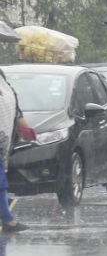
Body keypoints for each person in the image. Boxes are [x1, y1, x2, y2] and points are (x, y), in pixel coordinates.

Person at [0, 69, 34, 233]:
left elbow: (19, 117)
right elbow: (19, 117)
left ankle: (6, 213)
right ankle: (7, 218)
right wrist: (28, 133)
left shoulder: (6, 92)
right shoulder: (7, 91)